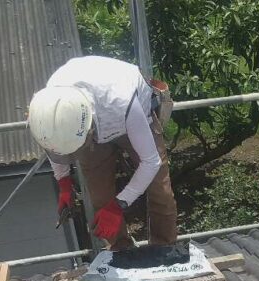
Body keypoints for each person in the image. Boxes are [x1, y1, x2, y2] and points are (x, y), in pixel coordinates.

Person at [27, 56, 176, 249]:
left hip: (129, 114)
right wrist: (64, 183)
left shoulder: (122, 103)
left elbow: (151, 162)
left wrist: (118, 206)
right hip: (90, 122)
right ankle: (122, 252)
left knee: (160, 190)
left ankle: (164, 249)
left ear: (88, 129)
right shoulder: (46, 111)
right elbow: (53, 144)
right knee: (100, 196)